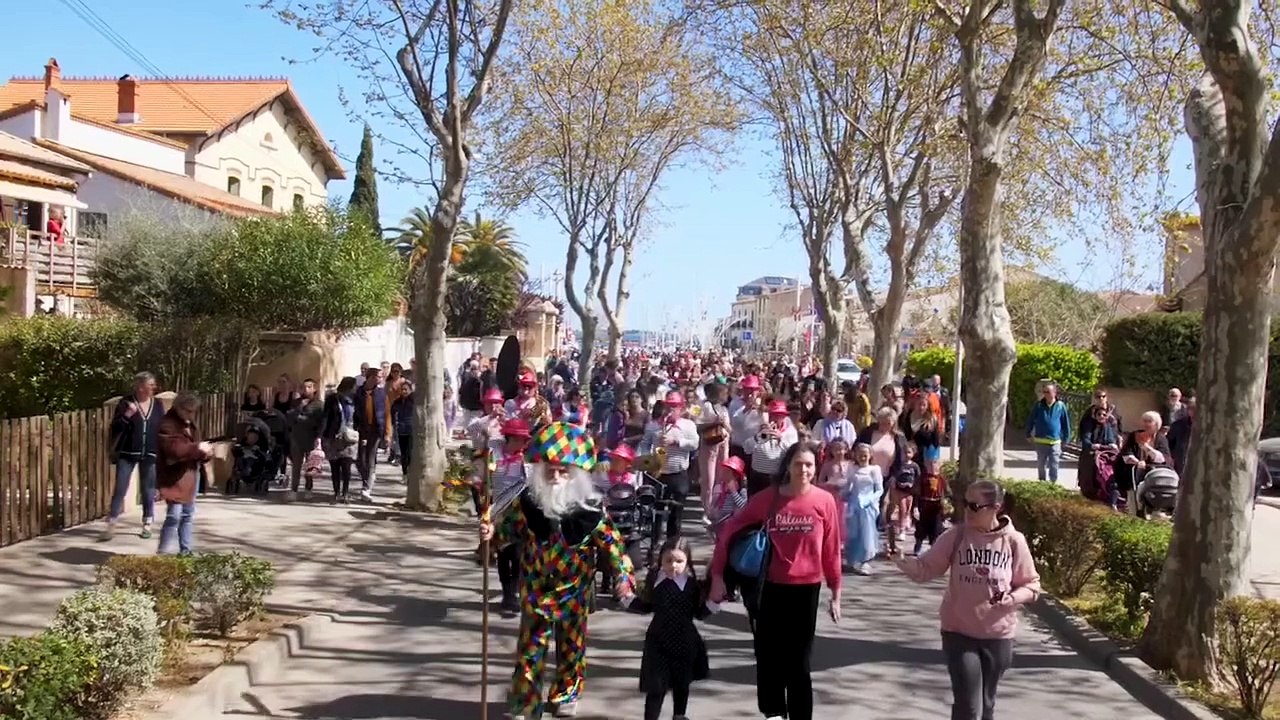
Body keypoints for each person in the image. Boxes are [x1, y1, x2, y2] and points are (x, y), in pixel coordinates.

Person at [479, 422, 636, 720]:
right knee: (530, 649)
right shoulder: (528, 504)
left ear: (576, 475)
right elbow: (505, 532)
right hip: (535, 588)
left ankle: (566, 693)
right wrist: (489, 536)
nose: (556, 476)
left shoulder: (591, 513)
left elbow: (615, 547)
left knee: (571, 647)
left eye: (563, 471)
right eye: (550, 469)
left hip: (574, 591)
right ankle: (525, 702)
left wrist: (624, 579)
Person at [708, 441, 841, 720]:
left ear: (815, 468)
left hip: (807, 590)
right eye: (797, 464)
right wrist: (718, 576)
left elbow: (831, 549)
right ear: (787, 467)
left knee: (799, 663)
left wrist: (836, 592)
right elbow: (729, 532)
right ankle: (773, 713)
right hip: (768, 588)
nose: (803, 470)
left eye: (808, 465)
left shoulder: (824, 501)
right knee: (769, 658)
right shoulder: (767, 498)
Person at [895, 479, 1042, 720]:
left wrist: (1012, 598)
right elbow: (925, 569)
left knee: (986, 704)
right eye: (965, 503)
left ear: (995, 507)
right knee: (968, 705)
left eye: (974, 506)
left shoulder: (1014, 541)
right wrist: (902, 560)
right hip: (959, 632)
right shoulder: (956, 536)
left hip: (998, 635)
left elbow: (1032, 585)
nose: (967, 510)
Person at [627, 536, 718, 720]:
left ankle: (679, 715)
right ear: (661, 560)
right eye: (669, 561)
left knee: (681, 683)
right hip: (658, 642)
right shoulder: (655, 582)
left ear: (687, 561)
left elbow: (699, 613)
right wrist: (626, 598)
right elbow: (646, 606)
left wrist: (714, 603)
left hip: (684, 642)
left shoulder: (692, 586)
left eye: (679, 561)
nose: (674, 565)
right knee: (656, 687)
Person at [104, 372, 164, 541]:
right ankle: (112, 524)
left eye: (154, 385)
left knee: (148, 490)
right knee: (120, 488)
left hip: (150, 453)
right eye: (150, 384)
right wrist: (127, 415)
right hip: (127, 453)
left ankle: (147, 523)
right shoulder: (126, 402)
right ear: (140, 386)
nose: (154, 387)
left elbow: (162, 427)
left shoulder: (158, 404)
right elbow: (115, 427)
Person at [155, 393, 212, 556]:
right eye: (188, 411)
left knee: (187, 515)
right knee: (174, 515)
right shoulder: (168, 424)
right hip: (174, 477)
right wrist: (198, 448)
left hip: (191, 474)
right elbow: (175, 450)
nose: (191, 414)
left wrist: (205, 453)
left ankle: (186, 551)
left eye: (194, 411)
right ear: (178, 408)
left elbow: (195, 448)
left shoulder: (190, 423)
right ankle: (163, 552)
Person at [843, 442, 883, 575]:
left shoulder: (874, 470)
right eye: (860, 454)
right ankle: (852, 559)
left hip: (868, 505)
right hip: (854, 504)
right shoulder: (852, 469)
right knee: (853, 533)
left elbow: (879, 490)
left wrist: (869, 500)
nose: (862, 457)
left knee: (867, 533)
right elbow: (849, 486)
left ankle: (865, 561)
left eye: (865, 454)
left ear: (870, 455)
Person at [321, 377, 360, 503]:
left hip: (349, 437)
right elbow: (326, 417)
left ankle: (346, 493)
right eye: (354, 386)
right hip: (334, 436)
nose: (355, 389)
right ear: (348, 387)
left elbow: (359, 417)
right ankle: (336, 492)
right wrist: (323, 435)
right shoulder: (332, 399)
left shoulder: (355, 400)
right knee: (335, 466)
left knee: (347, 465)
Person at [1025, 382, 1071, 483]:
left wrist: (1066, 438)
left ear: (1054, 393)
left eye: (1048, 392)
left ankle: (1052, 483)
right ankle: (1042, 483)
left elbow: (1065, 423)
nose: (1045, 394)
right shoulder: (1038, 405)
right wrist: (1028, 433)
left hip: (1055, 441)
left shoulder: (1060, 406)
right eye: (1044, 392)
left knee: (1054, 464)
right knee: (1041, 464)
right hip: (1040, 441)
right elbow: (1031, 420)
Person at [888, 442, 922, 556]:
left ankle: (906, 523)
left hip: (910, 491)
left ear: (913, 453)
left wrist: (915, 487)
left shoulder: (915, 466)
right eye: (905, 452)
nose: (907, 454)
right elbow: (894, 475)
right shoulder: (900, 465)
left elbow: (918, 478)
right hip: (900, 490)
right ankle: (901, 529)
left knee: (908, 509)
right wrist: (894, 483)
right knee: (902, 508)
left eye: (909, 452)